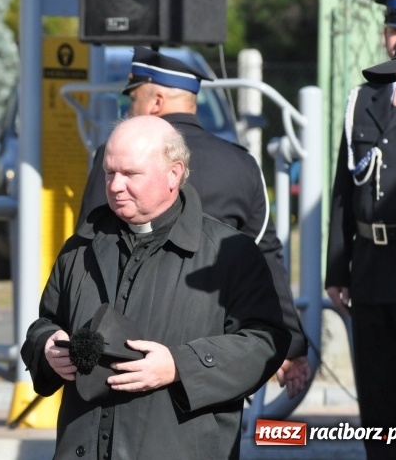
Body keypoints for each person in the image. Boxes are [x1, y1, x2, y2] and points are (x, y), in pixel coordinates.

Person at [21, 115, 290, 460]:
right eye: (109, 172)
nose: (115, 185)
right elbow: (46, 322)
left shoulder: (229, 254)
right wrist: (47, 348)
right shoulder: (80, 247)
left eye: (131, 174)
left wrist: (180, 366)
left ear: (173, 175)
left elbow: (264, 342)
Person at [78, 47, 310, 397]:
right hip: (213, 350)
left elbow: (89, 248)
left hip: (127, 351)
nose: (130, 110)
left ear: (156, 101)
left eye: (134, 99)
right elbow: (264, 253)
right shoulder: (241, 163)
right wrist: (291, 344)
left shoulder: (115, 160)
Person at [326, 0, 396, 460]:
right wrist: (336, 268)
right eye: (391, 29)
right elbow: (346, 189)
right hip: (370, 269)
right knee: (379, 416)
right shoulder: (361, 100)